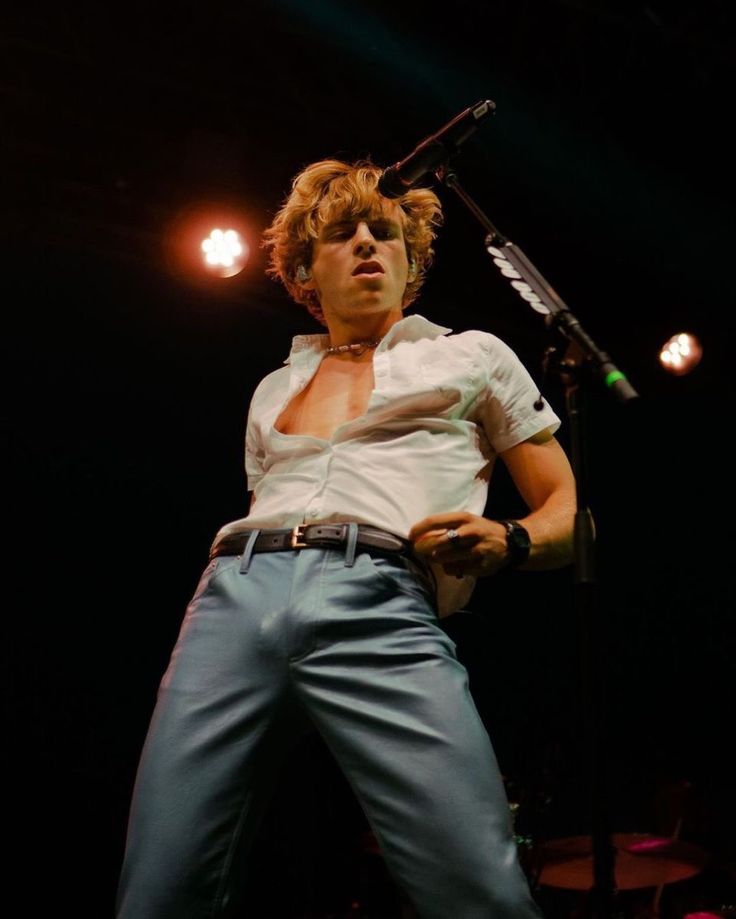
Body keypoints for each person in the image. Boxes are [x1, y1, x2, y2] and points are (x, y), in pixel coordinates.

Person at [116, 159, 576, 919]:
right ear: (304, 266)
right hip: (234, 593)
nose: (368, 243)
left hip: (383, 597)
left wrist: (511, 539)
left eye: (385, 233)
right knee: (161, 886)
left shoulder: (473, 355)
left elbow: (565, 511)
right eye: (343, 233)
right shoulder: (272, 387)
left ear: (412, 260)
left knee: (477, 888)